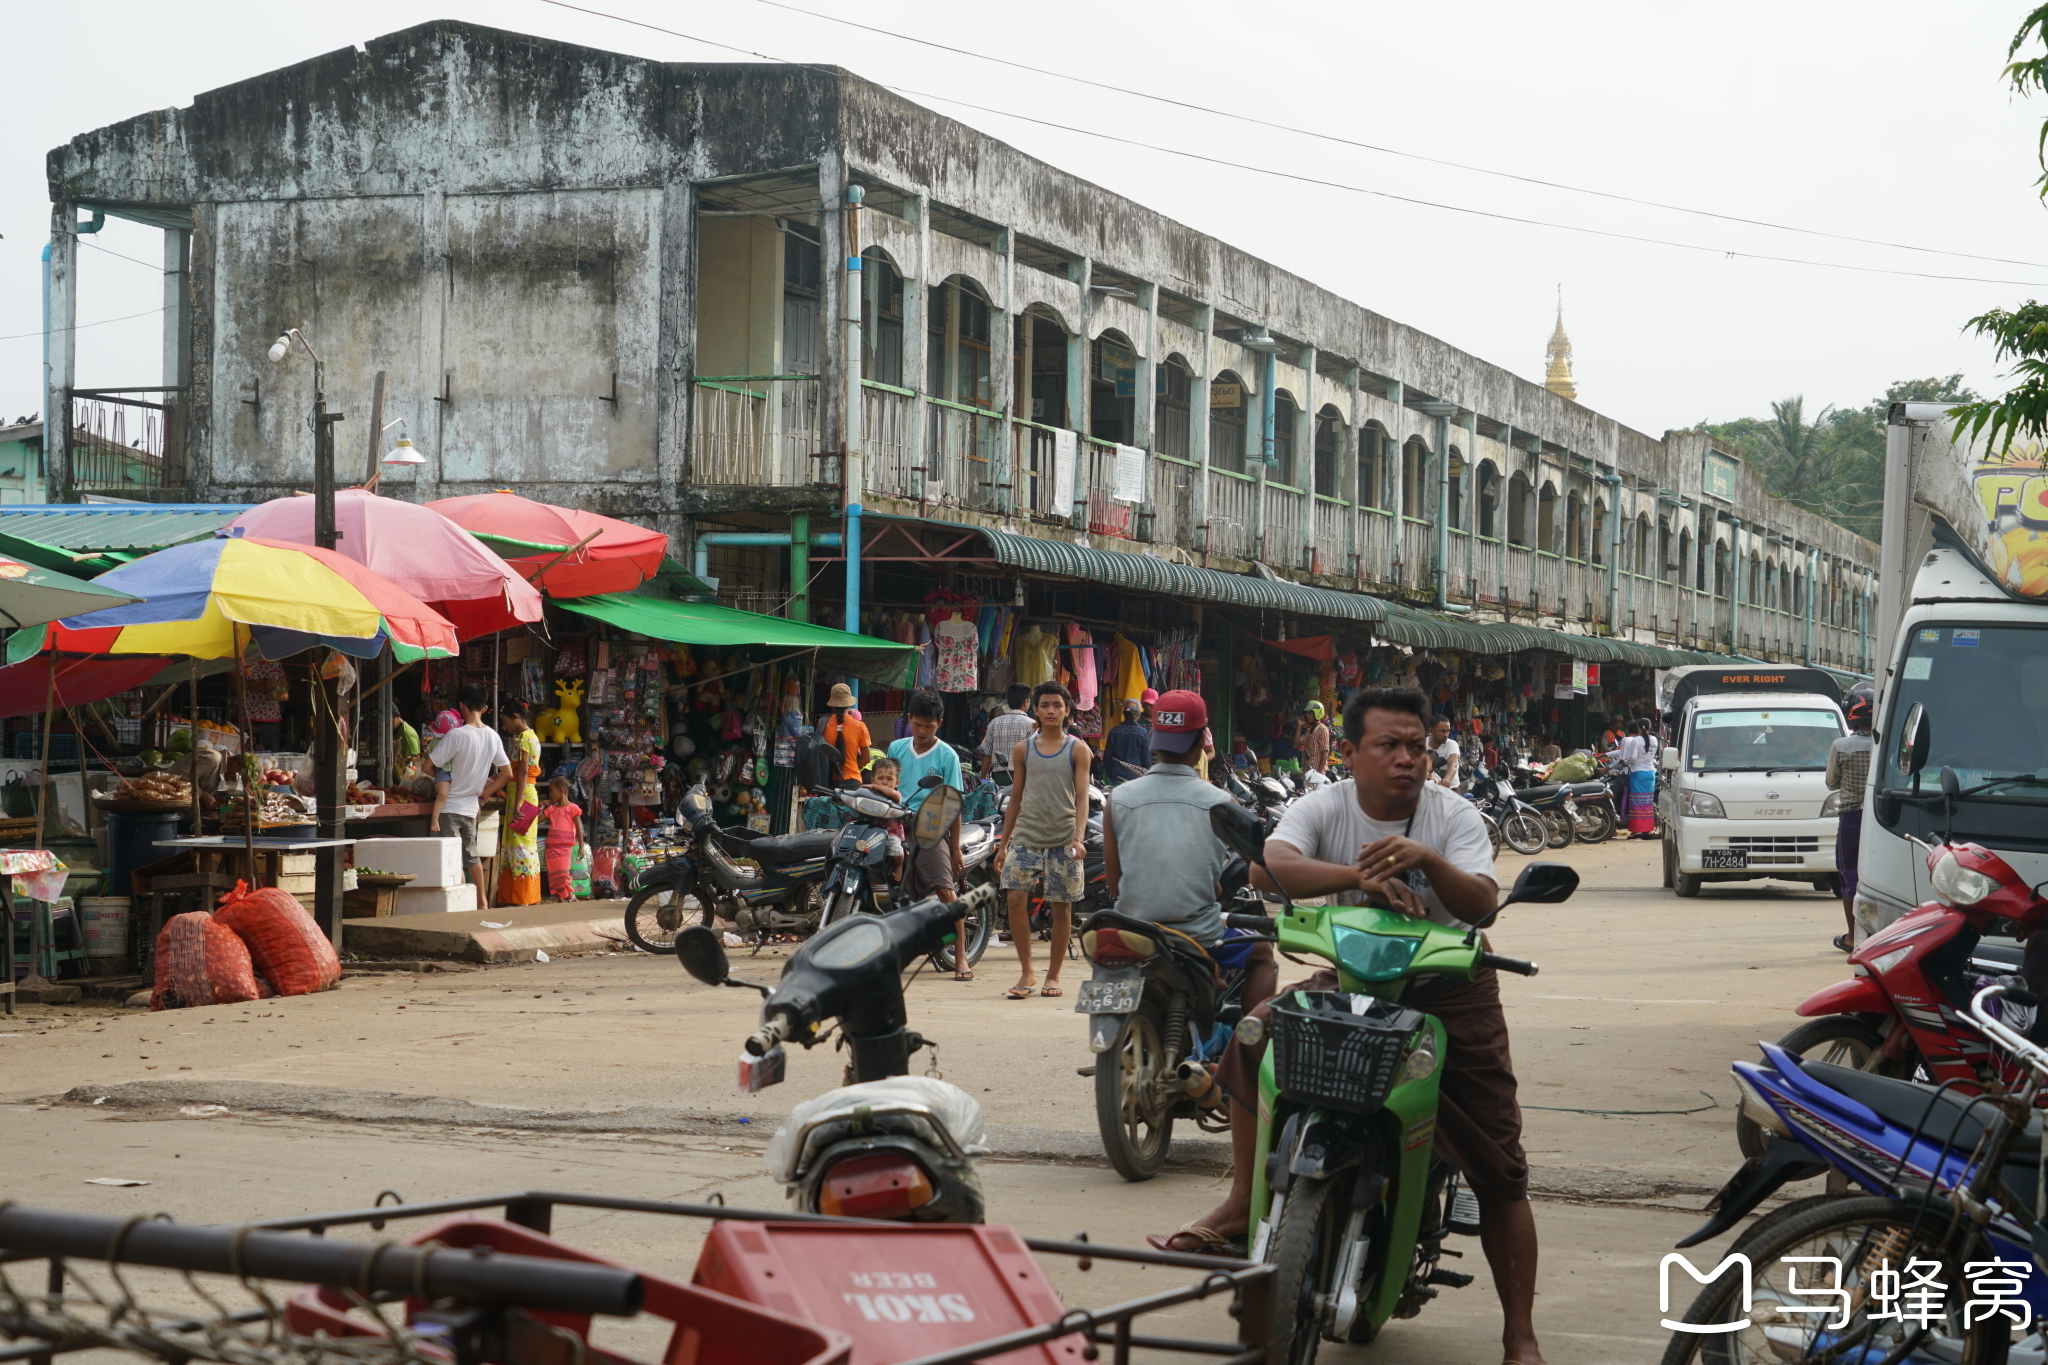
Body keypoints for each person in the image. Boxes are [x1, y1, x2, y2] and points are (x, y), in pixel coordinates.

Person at [1149, 686, 1546, 1365]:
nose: (1406, 759)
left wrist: (1426, 861)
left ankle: (1520, 1335)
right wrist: (1358, 878)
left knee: (1501, 1166)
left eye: (1416, 747)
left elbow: (1483, 901)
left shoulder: (1453, 815)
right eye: (1388, 746)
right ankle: (1243, 1201)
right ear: (1351, 752)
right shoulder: (1324, 805)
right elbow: (1267, 864)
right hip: (1351, 977)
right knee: (1253, 1033)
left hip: (1451, 992)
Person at [1101, 689, 1276, 1010]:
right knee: (1263, 954)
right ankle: (1248, 1048)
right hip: (1198, 932)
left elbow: (1115, 884)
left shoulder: (1118, 799)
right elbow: (1223, 877)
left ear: (1154, 739)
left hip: (1132, 928)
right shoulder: (1220, 802)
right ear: (1200, 742)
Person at [994, 680, 1091, 999]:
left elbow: (1082, 796)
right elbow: (1017, 796)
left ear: (1067, 711)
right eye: (1045, 705)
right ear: (1035, 709)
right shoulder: (1024, 748)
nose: (1051, 710)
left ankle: (1053, 975)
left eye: (1057, 705)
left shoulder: (1078, 749)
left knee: (1062, 909)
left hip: (1064, 839)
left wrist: (1078, 837)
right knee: (1015, 900)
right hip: (1026, 837)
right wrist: (1004, 843)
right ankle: (1027, 972)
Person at [889, 689, 969, 978]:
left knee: (944, 887)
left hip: (932, 827)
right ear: (909, 719)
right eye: (917, 724)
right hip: (897, 823)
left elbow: (954, 804)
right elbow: (888, 786)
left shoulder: (947, 755)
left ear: (940, 723)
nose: (921, 731)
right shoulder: (896, 749)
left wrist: (956, 847)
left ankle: (961, 956)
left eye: (929, 726)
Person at [429, 684, 512, 913]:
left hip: (449, 808)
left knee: (451, 855)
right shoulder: (493, 737)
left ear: (462, 706)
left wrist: (444, 781)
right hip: (471, 808)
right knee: (471, 855)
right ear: (485, 708)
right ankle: (481, 901)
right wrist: (487, 792)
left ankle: (458, 901)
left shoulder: (456, 735)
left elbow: (429, 766)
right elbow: (507, 773)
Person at [1826, 691, 1875, 953]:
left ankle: (1855, 938)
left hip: (1852, 819)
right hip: (1884, 818)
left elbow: (1831, 782)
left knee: (1850, 877)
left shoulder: (1841, 746)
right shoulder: (1886, 744)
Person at [495, 701, 541, 906]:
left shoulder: (523, 739)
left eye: (505, 721)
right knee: (525, 844)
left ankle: (519, 895)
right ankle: (525, 894)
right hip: (527, 793)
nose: (504, 726)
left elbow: (522, 771)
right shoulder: (533, 736)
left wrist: (518, 803)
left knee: (520, 844)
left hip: (521, 794)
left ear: (515, 717)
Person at [863, 753, 908, 885]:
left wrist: (875, 787)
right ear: (872, 779)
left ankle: (898, 866)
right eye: (880, 778)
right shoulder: (869, 793)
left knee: (895, 850)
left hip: (890, 832)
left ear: (896, 783)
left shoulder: (895, 795)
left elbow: (891, 793)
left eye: (889, 779)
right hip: (870, 829)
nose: (884, 782)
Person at [820, 683, 872, 789]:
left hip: (828, 780)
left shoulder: (822, 723)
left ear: (833, 704)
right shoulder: (860, 726)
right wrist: (856, 762)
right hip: (852, 780)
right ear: (849, 703)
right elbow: (866, 759)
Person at [539, 776, 583, 902]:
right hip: (551, 847)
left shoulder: (572, 808)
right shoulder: (551, 809)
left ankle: (570, 896)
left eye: (551, 790)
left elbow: (579, 828)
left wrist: (580, 847)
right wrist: (540, 805)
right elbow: (536, 821)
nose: (550, 794)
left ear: (561, 790)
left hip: (564, 847)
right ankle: (561, 900)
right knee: (553, 874)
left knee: (563, 873)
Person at [1616, 717, 1661, 839]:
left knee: (1636, 802)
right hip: (1650, 773)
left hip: (1638, 773)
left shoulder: (1636, 740)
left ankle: (1637, 831)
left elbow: (1633, 757)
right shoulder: (1654, 740)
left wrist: (1626, 762)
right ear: (1651, 728)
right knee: (1647, 802)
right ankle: (1647, 829)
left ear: (1638, 728)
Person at [979, 684, 1034, 779]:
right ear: (1025, 702)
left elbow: (987, 755)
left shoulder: (994, 723)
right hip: (1022, 778)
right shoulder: (1032, 724)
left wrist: (983, 779)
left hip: (999, 778)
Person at [1102, 700, 1152, 782]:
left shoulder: (1114, 731)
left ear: (1124, 714)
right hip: (1136, 777)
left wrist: (1111, 774)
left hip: (1116, 776)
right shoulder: (1142, 733)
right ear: (1138, 714)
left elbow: (1107, 758)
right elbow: (1147, 760)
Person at [1296, 701, 1332, 775]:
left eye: (1310, 713)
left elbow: (1325, 752)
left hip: (1317, 773)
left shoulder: (1322, 729)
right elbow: (1296, 744)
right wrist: (1299, 726)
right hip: (1308, 773)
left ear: (1317, 713)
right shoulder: (1308, 731)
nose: (1307, 715)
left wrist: (1318, 774)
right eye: (1306, 713)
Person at [1430, 715, 1462, 789]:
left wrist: (1446, 780)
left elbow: (1453, 765)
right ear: (1431, 731)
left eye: (1448, 731)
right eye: (1442, 731)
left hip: (1451, 789)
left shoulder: (1452, 744)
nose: (1446, 735)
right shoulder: (1423, 744)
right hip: (1430, 789)